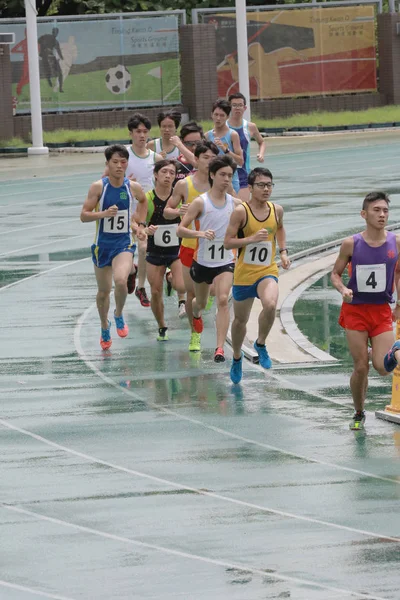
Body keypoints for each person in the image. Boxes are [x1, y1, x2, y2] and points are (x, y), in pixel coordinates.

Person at [331, 191, 400, 430]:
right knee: (361, 366)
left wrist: (399, 302)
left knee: (382, 368)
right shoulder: (351, 243)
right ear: (364, 214)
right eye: (376, 210)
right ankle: (359, 412)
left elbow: (399, 272)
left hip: (381, 310)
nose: (382, 215)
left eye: (385, 211)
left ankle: (394, 349)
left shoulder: (396, 242)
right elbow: (335, 274)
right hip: (355, 311)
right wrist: (342, 289)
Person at [224, 167, 290, 384]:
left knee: (271, 304)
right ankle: (236, 357)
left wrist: (283, 251)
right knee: (240, 321)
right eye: (261, 185)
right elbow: (227, 242)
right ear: (250, 188)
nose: (266, 189)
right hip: (244, 274)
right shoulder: (241, 212)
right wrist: (250, 239)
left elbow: (279, 229)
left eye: (270, 185)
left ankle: (260, 343)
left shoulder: (276, 210)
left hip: (267, 270)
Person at [80, 145, 147, 350]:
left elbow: (143, 201)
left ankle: (118, 314)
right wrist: (103, 214)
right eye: (115, 162)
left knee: (120, 280)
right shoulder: (98, 187)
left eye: (123, 162)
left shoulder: (132, 187)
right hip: (102, 246)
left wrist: (140, 225)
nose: (119, 166)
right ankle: (104, 325)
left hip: (123, 244)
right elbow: (84, 215)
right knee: (103, 291)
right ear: (107, 164)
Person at [177, 155, 242, 362]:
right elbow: (180, 230)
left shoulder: (236, 204)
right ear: (212, 175)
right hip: (202, 261)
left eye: (230, 176)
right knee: (201, 303)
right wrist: (200, 235)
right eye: (222, 174)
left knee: (223, 299)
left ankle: (220, 348)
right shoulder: (200, 203)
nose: (226, 179)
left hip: (225, 262)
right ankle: (195, 317)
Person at [164, 141, 219, 352]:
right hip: (189, 245)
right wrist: (179, 212)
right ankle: (194, 335)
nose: (210, 161)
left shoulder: (221, 182)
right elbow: (167, 211)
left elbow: (236, 207)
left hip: (215, 247)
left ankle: (201, 307)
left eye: (213, 157)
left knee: (215, 291)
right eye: (205, 157)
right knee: (191, 293)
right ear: (196, 159)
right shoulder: (184, 185)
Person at [144, 159, 186, 340]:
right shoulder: (148, 199)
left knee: (181, 285)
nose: (168, 176)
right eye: (164, 172)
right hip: (154, 250)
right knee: (155, 291)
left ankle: (171, 278)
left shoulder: (179, 198)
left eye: (172, 173)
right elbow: (137, 222)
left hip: (177, 249)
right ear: (155, 175)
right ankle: (162, 326)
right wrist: (144, 230)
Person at [125, 113, 163, 307]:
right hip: (125, 210)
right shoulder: (123, 155)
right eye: (138, 131)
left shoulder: (156, 158)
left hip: (147, 210)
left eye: (145, 132)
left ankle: (141, 287)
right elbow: (104, 179)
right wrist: (125, 181)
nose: (142, 135)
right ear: (131, 133)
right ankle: (132, 271)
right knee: (124, 254)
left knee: (143, 247)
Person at [227, 92, 266, 201]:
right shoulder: (223, 127)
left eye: (240, 105)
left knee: (242, 207)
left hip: (243, 173)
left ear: (245, 108)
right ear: (230, 107)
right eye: (234, 105)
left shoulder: (250, 127)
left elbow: (261, 142)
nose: (237, 108)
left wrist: (261, 154)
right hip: (226, 173)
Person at [205, 99, 243, 194]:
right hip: (213, 179)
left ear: (227, 117)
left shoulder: (233, 135)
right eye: (216, 114)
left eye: (222, 115)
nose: (218, 118)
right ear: (211, 115)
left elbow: (240, 161)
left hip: (230, 180)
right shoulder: (207, 136)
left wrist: (225, 150)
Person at [38, 27, 64, 92]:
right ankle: (49, 79)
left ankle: (60, 88)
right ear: (52, 32)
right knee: (48, 70)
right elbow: (39, 40)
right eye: (54, 32)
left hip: (51, 57)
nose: (55, 33)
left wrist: (62, 58)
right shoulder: (46, 36)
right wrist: (43, 49)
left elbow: (58, 50)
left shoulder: (55, 41)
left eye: (56, 32)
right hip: (45, 57)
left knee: (60, 73)